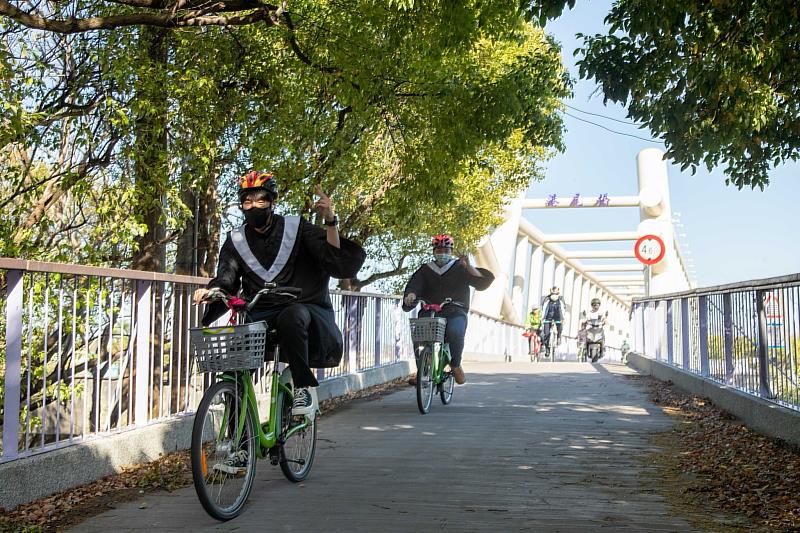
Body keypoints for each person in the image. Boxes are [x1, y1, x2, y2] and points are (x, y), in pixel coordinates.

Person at [193, 171, 366, 416]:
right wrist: (213, 291)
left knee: (291, 316)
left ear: (272, 202)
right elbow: (227, 278)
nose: (254, 206)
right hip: (259, 313)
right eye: (247, 201)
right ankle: (239, 447)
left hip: (301, 306)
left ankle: (303, 386)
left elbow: (332, 258)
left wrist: (330, 221)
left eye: (261, 200)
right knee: (234, 371)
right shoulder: (236, 240)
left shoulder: (296, 228)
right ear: (242, 205)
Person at [402, 234, 494, 385]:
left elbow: (481, 282)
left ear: (450, 251)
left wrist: (469, 266)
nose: (442, 253)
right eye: (439, 250)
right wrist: (410, 295)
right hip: (429, 310)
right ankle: (423, 371)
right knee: (420, 335)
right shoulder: (425, 270)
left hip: (455, 310)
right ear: (433, 251)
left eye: (446, 250)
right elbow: (414, 285)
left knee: (455, 331)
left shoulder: (460, 267)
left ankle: (456, 365)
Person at [540, 286, 567, 356]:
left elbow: (563, 309)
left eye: (556, 293)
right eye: (553, 293)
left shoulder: (560, 299)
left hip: (558, 317)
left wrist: (563, 319)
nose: (554, 295)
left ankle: (558, 337)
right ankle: (547, 350)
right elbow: (543, 308)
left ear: (558, 292)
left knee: (560, 327)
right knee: (546, 334)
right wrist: (542, 318)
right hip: (547, 317)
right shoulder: (547, 299)